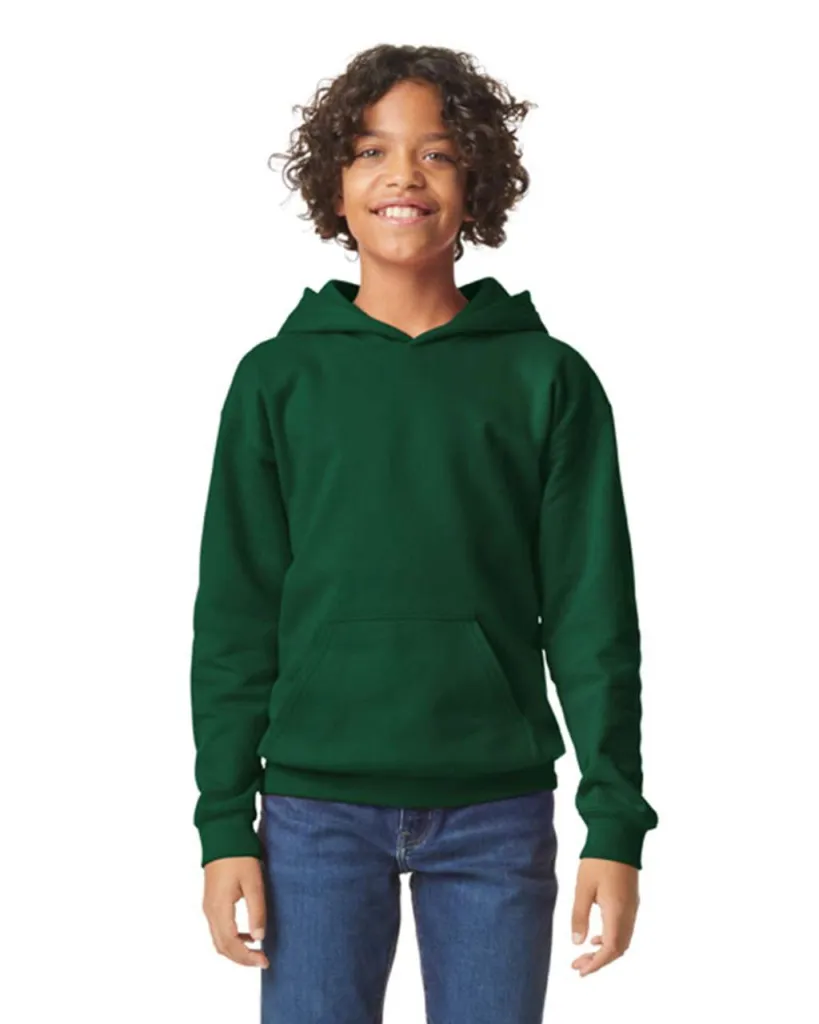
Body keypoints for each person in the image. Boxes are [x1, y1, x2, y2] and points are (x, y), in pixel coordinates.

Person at [189, 43, 659, 1023]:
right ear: (334, 185)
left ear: (477, 182)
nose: (402, 175)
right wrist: (225, 822)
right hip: (313, 815)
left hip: (497, 812)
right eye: (370, 151)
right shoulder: (277, 381)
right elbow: (235, 619)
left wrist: (615, 823)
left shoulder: (547, 380)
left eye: (437, 153)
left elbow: (593, 619)